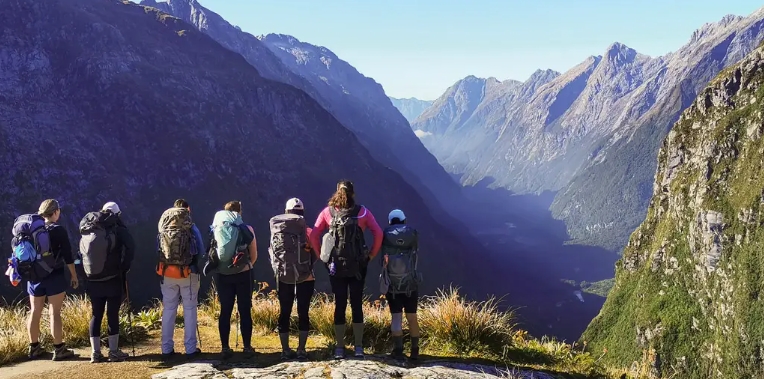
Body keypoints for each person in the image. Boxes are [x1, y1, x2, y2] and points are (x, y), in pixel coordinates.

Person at [310, 180, 383, 359]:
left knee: (340, 304)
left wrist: (321, 257)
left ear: (337, 192)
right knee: (356, 305)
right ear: (353, 194)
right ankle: (359, 347)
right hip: (358, 266)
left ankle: (340, 348)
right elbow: (378, 234)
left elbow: (314, 235)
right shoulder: (363, 212)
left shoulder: (328, 212)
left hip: (336, 267)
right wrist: (371, 256)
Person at [79, 202, 135, 363]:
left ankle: (95, 353)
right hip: (112, 278)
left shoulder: (90, 227)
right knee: (112, 313)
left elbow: (80, 253)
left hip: (92, 278)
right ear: (117, 214)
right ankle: (113, 351)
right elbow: (131, 247)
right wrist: (124, 267)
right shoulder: (118, 228)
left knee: (96, 314)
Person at [23, 199, 78, 360]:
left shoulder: (31, 229)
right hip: (54, 275)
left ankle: (34, 348)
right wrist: (74, 275)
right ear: (55, 212)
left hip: (34, 277)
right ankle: (59, 349)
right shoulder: (58, 230)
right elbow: (68, 255)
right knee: (55, 313)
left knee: (35, 311)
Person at [268, 198, 316, 361]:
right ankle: (301, 349)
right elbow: (316, 254)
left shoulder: (277, 230)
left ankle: (285, 350)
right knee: (303, 312)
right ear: (302, 213)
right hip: (305, 276)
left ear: (286, 212)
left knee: (285, 312)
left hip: (283, 275)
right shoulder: (308, 232)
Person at [156, 199, 204, 360]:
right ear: (187, 209)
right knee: (190, 310)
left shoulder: (163, 225)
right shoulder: (190, 226)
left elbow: (158, 248)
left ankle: (166, 348)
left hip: (167, 273)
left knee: (169, 309)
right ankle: (190, 349)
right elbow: (201, 250)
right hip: (187, 273)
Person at [211, 200, 257, 359]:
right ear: (239, 212)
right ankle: (247, 347)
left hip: (223, 275)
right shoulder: (247, 229)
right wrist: (244, 266)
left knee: (225, 311)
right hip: (244, 274)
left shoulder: (217, 228)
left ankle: (225, 347)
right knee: (244, 311)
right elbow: (254, 255)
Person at [379, 209, 421, 361]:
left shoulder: (384, 236)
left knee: (396, 318)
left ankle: (398, 350)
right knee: (412, 316)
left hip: (392, 285)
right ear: (404, 220)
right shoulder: (412, 234)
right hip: (411, 284)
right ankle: (415, 351)